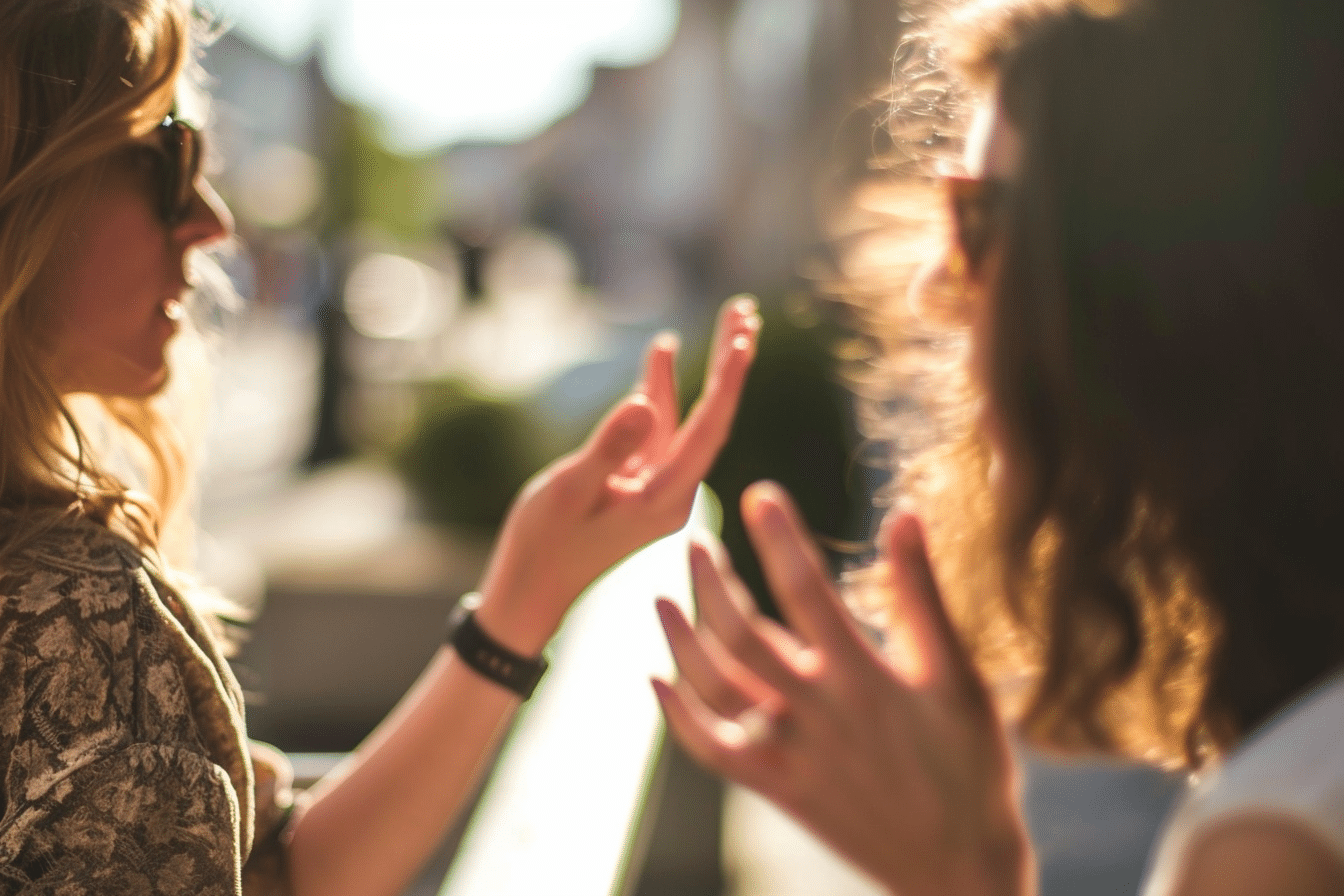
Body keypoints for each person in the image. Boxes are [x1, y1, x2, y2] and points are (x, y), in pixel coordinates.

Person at [0, 1, 761, 894]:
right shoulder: (78, 621)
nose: (210, 220)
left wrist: (526, 590)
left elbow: (281, 872)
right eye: (168, 154)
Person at [653, 0, 1344, 894]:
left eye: (980, 220)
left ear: (1156, 292)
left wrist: (961, 871)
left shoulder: (1275, 845)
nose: (932, 282)